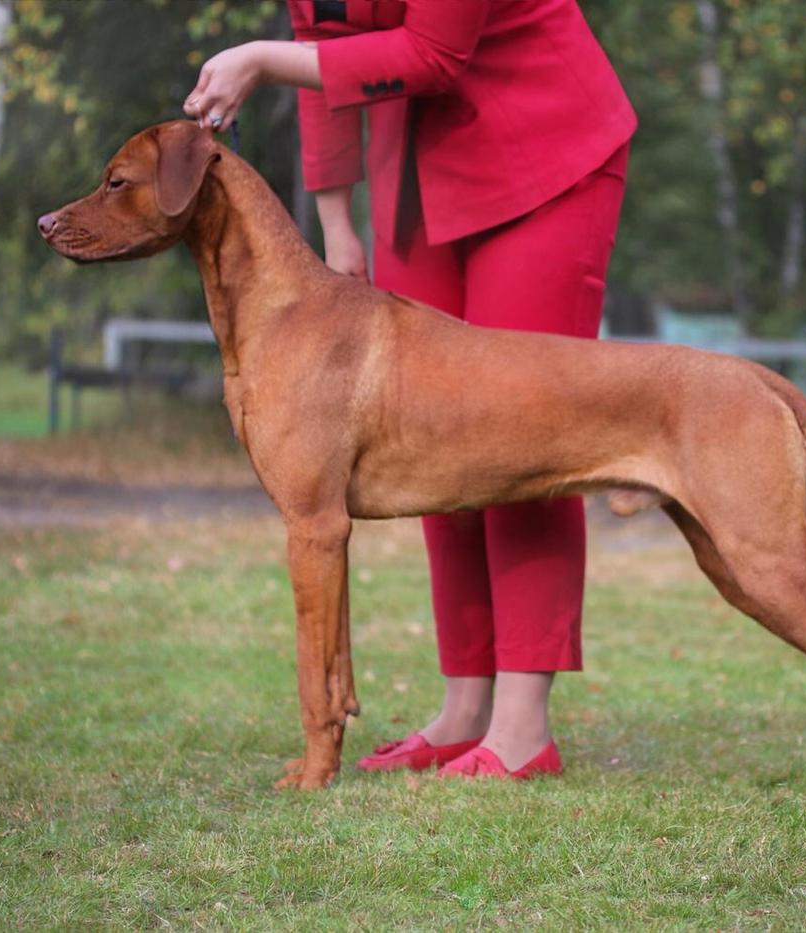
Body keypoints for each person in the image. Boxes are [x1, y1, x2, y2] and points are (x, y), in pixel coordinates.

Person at [184, 0, 636, 780]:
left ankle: (523, 728)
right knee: (426, 433)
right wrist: (336, 222)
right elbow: (320, 40)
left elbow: (433, 52)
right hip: (416, 178)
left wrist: (256, 57)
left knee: (526, 434)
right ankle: (465, 709)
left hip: (542, 151)